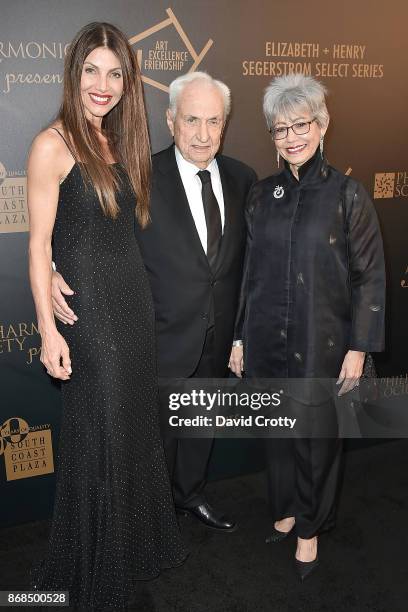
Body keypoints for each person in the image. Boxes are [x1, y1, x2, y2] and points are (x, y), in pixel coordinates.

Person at [52, 71, 257, 532]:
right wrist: (49, 269)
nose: (203, 134)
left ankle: (191, 494)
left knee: (201, 429)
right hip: (156, 336)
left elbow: (251, 265)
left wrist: (240, 334)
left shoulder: (245, 179)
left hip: (219, 335)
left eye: (214, 122)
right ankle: (152, 517)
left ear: (224, 124)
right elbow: (89, 232)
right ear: (170, 121)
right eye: (192, 121)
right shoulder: (138, 176)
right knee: (153, 441)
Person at [27, 22, 186, 609]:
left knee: (131, 434)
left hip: (132, 305)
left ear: (128, 82)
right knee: (102, 437)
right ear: (74, 73)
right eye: (91, 70)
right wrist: (47, 327)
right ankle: (93, 563)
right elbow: (38, 241)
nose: (103, 84)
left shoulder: (118, 141)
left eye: (115, 73)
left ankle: (129, 548)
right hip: (90, 315)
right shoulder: (54, 143)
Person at [229, 74, 385, 580]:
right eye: (280, 129)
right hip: (267, 340)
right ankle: (289, 506)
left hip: (324, 344)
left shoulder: (348, 195)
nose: (292, 137)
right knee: (278, 436)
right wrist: (237, 336)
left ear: (323, 125)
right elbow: (248, 272)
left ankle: (310, 529)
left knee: (317, 440)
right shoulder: (259, 195)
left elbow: (369, 277)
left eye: (302, 124)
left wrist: (359, 347)